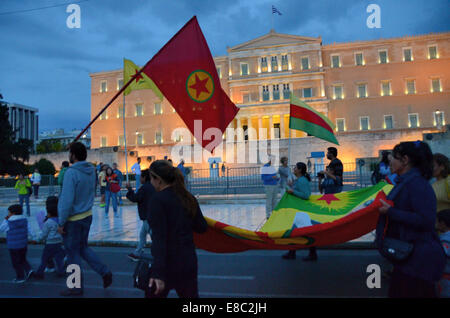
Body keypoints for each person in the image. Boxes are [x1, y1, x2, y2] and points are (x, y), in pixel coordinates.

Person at [376, 141, 446, 298]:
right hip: (409, 258)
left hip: (417, 262)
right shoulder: (407, 182)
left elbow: (426, 220)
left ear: (405, 160)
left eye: (394, 157)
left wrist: (390, 212)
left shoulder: (416, 184)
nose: (390, 160)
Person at [146, 160, 208, 298]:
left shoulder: (157, 201)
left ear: (158, 180)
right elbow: (202, 227)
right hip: (188, 261)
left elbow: (159, 239)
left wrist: (158, 272)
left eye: (151, 178)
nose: (150, 182)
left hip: (167, 264)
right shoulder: (188, 197)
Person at [57, 142, 112, 296]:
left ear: (73, 155)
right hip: (87, 215)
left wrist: (61, 222)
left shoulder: (71, 173)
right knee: (83, 248)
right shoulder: (91, 171)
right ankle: (104, 271)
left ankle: (75, 287)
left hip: (73, 219)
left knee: (72, 253)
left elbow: (66, 200)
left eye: (70, 153)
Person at [282, 162, 311, 260]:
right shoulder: (299, 180)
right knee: (296, 230)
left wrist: (292, 191)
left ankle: (296, 252)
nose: (294, 169)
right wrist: (291, 187)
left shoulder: (302, 181)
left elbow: (306, 195)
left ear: (299, 170)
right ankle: (292, 252)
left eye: (295, 168)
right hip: (298, 210)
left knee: (301, 231)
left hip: (301, 211)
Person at [126, 169, 156, 261]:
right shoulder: (153, 186)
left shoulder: (144, 188)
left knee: (153, 236)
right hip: (152, 214)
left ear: (144, 177)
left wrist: (130, 189)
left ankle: (159, 255)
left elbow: (136, 198)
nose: (140, 179)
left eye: (141, 177)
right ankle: (138, 252)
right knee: (142, 234)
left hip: (147, 216)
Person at [0, 204, 35, 283]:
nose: (8, 214)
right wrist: (34, 237)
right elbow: (30, 230)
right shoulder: (24, 220)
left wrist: (5, 219)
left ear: (13, 213)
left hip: (13, 246)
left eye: (9, 212)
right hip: (23, 244)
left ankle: (20, 277)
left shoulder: (9, 222)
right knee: (22, 259)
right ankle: (29, 270)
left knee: (16, 262)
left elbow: (1, 229)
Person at [33, 196, 66, 279]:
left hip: (49, 244)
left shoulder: (48, 222)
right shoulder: (60, 220)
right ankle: (61, 271)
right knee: (58, 259)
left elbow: (44, 234)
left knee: (44, 259)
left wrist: (38, 240)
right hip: (58, 243)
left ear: (49, 213)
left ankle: (40, 273)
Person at [436, 209, 450, 298]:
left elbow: (440, 256)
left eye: (437, 221)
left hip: (445, 276)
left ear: (443, 223)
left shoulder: (445, 240)